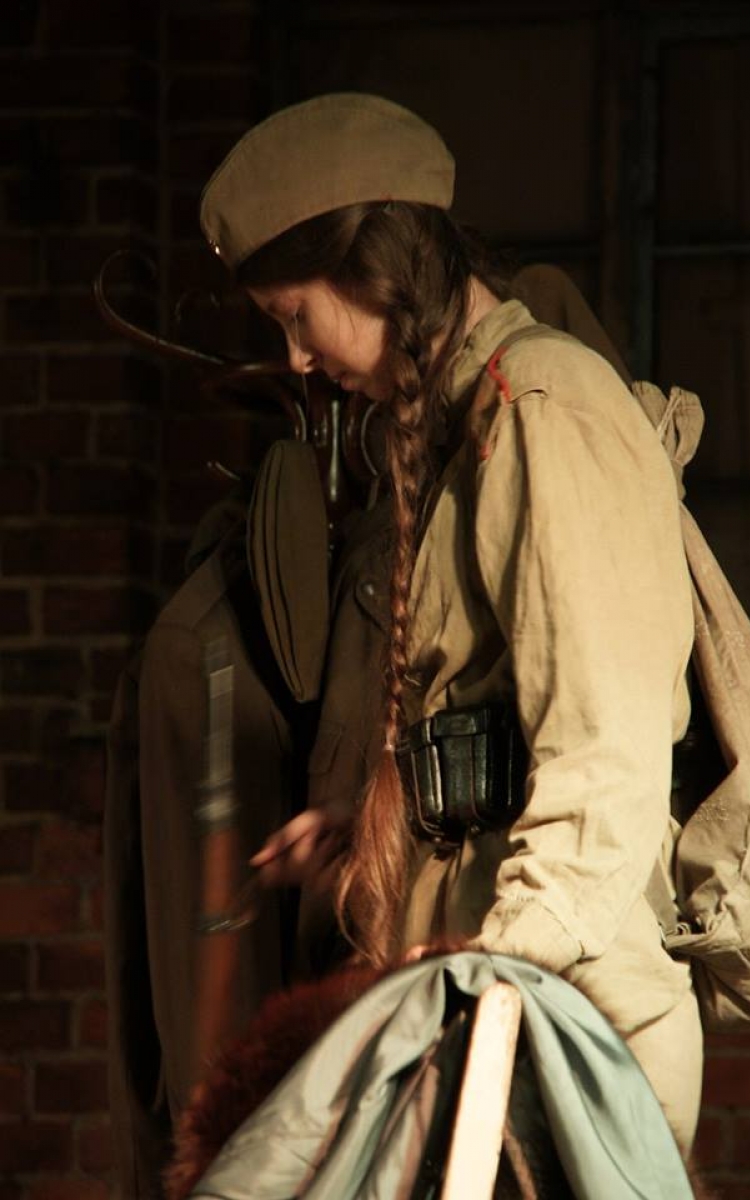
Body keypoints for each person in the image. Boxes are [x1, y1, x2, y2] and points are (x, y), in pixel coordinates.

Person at [199, 92, 701, 1155]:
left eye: (295, 315)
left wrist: (494, 980)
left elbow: (604, 760)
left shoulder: (542, 408)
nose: (296, 359)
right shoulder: (464, 425)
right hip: (492, 1002)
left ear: (371, 265)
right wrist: (379, 821)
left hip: (563, 1027)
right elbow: (499, 715)